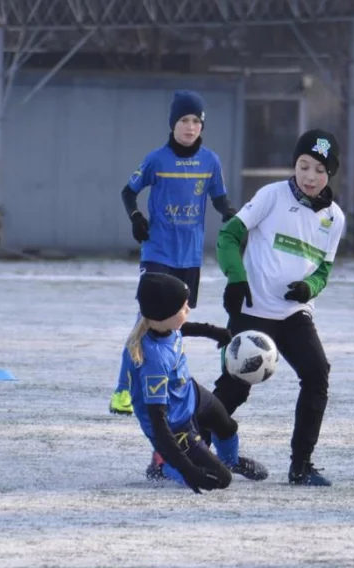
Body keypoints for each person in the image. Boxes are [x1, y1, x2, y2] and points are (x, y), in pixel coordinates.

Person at [212, 129, 345, 486]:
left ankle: (301, 465)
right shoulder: (271, 196)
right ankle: (180, 449)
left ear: (329, 173)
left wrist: (309, 287)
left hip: (293, 315)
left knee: (317, 374)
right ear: (294, 165)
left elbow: (323, 270)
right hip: (253, 310)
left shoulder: (335, 218)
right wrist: (236, 279)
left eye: (318, 169)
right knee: (235, 386)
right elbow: (229, 236)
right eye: (303, 166)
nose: (310, 176)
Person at [109, 90, 235, 415]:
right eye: (184, 120)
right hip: (158, 252)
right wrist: (136, 217)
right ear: (173, 123)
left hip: (189, 257)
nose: (190, 126)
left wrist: (229, 212)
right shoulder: (157, 160)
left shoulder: (210, 161)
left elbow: (219, 198)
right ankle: (122, 391)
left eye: (196, 120)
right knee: (146, 321)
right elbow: (128, 191)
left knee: (176, 325)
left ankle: (163, 384)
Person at [125, 272, 268, 492]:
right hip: (174, 424)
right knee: (221, 480)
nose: (188, 310)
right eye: (183, 308)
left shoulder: (166, 326)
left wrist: (214, 332)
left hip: (189, 394)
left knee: (227, 426)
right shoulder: (154, 360)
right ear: (165, 315)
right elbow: (159, 424)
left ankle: (231, 460)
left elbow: (184, 329)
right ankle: (162, 467)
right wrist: (187, 470)